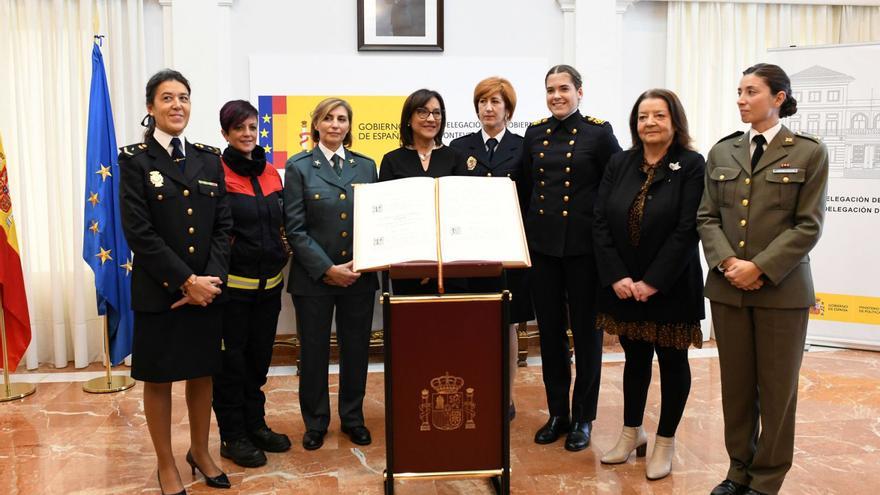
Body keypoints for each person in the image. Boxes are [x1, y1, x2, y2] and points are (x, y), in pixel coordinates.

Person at [698, 63, 828, 495]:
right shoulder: (722, 151)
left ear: (778, 98)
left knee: (777, 391)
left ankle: (767, 479)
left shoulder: (808, 151)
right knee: (735, 388)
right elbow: (707, 216)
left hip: (782, 291)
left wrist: (760, 268)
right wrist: (729, 264)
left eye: (751, 91)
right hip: (728, 288)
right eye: (738, 91)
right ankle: (738, 470)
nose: (740, 99)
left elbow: (807, 226)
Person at [119, 69, 232, 495]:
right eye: (167, 98)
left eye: (183, 97)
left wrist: (210, 281)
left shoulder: (208, 158)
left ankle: (200, 452)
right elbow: (139, 233)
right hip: (160, 292)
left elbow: (223, 226)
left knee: (202, 373)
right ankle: (166, 463)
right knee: (160, 378)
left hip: (207, 292)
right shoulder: (133, 160)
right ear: (151, 107)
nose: (177, 105)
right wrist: (186, 282)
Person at [592, 89, 705, 480]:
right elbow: (600, 221)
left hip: (672, 286)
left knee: (673, 363)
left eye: (659, 115)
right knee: (634, 359)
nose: (650, 123)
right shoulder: (619, 163)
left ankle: (664, 442)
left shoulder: (691, 164)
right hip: (623, 285)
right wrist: (618, 276)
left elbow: (688, 227)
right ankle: (631, 433)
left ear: (675, 121)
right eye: (643, 117)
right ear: (634, 123)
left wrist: (653, 281)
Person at [517, 64, 621, 452]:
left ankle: (584, 418)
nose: (556, 96)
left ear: (580, 91)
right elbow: (527, 189)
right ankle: (558, 412)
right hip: (543, 250)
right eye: (550, 90)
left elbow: (613, 189)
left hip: (583, 252)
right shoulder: (535, 134)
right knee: (550, 335)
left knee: (587, 335)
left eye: (563, 88)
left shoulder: (599, 132)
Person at [284, 98, 379, 451]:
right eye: (329, 119)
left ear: (349, 126)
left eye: (342, 119)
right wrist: (327, 269)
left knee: (356, 350)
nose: (336, 125)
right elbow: (294, 229)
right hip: (314, 280)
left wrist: (357, 264)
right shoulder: (299, 167)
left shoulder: (367, 167)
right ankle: (316, 422)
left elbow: (375, 220)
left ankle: (353, 418)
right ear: (317, 126)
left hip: (358, 276)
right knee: (313, 352)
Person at [210, 100, 291, 468]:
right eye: (239, 128)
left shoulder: (272, 173)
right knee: (231, 365)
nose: (247, 134)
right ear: (225, 133)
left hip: (269, 289)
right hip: (232, 293)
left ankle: (255, 425)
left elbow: (282, 224)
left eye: (252, 128)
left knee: (258, 363)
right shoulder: (216, 172)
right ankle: (233, 435)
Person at [449, 76, 533, 420]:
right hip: (469, 251)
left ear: (508, 109)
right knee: (471, 324)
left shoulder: (524, 147)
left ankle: (506, 395)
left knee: (507, 324)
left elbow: (528, 197)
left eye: (495, 102)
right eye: (483, 101)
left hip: (508, 251)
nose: (488, 107)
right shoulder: (459, 147)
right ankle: (475, 389)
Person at [378, 88, 468, 295]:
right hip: (407, 264)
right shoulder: (391, 160)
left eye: (437, 113)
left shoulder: (456, 157)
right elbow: (388, 217)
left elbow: (460, 212)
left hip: (451, 265)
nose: (431, 118)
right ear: (409, 118)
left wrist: (438, 263)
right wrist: (420, 263)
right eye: (423, 112)